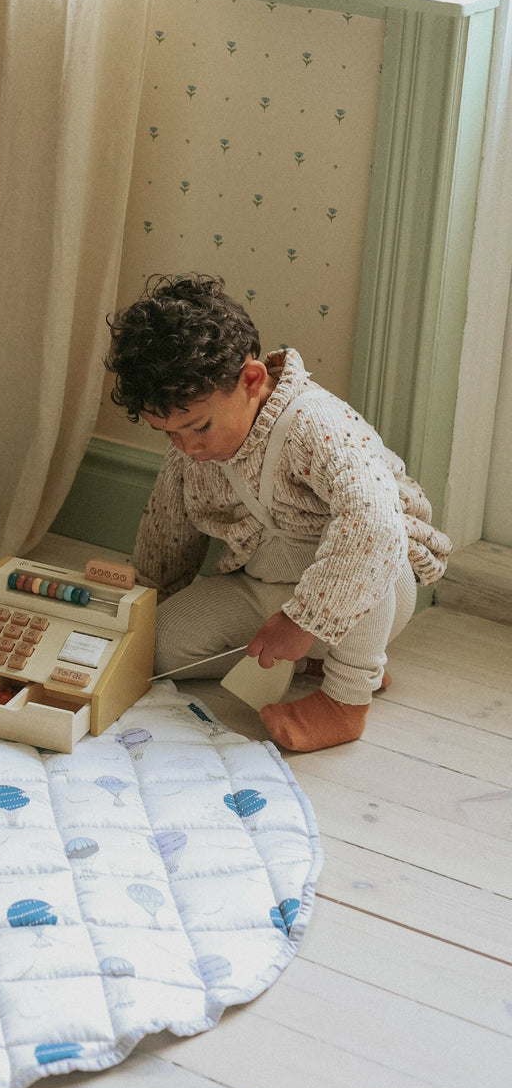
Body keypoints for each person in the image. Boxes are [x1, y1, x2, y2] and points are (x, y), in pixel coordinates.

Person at [104, 273, 451, 752]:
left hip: (374, 591)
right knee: (155, 648)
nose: (187, 447)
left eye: (198, 428)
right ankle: (311, 658)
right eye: (169, 433)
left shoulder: (316, 424)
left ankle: (347, 696)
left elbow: (373, 524)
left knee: (371, 544)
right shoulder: (189, 448)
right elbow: (169, 529)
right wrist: (145, 599)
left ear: (250, 380)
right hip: (263, 588)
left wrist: (305, 621)